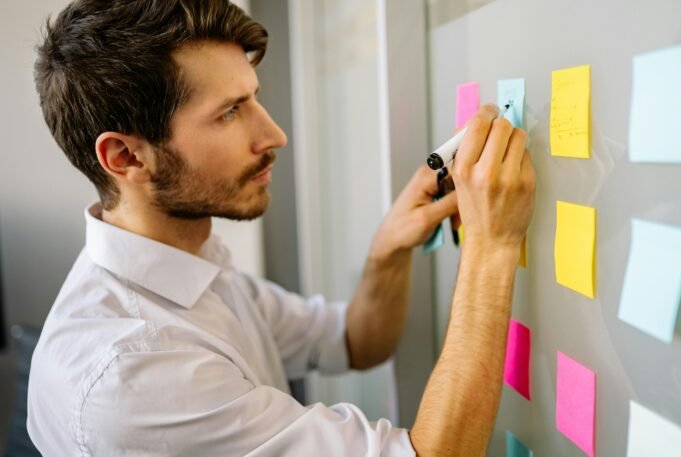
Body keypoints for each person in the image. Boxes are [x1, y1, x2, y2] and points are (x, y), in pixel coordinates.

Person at [26, 1, 535, 456]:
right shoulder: (132, 374)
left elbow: (355, 340)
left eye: (253, 98)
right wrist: (492, 246)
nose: (274, 134)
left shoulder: (192, 266)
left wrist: (388, 250)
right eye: (228, 113)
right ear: (125, 156)